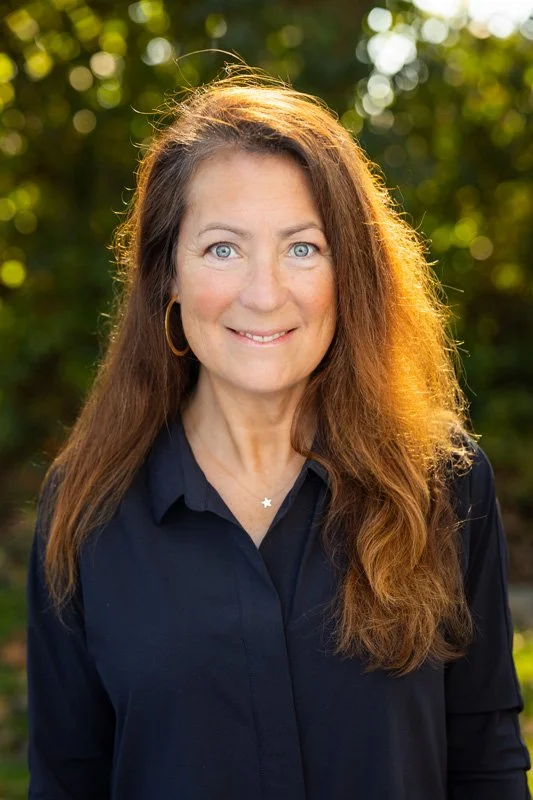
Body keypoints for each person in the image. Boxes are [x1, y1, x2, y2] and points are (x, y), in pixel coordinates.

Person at [26, 67, 531, 800]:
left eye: (302, 248)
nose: (264, 294)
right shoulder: (88, 510)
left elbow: (484, 760)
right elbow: (66, 779)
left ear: (348, 271)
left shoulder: (442, 483)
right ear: (166, 273)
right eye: (223, 249)